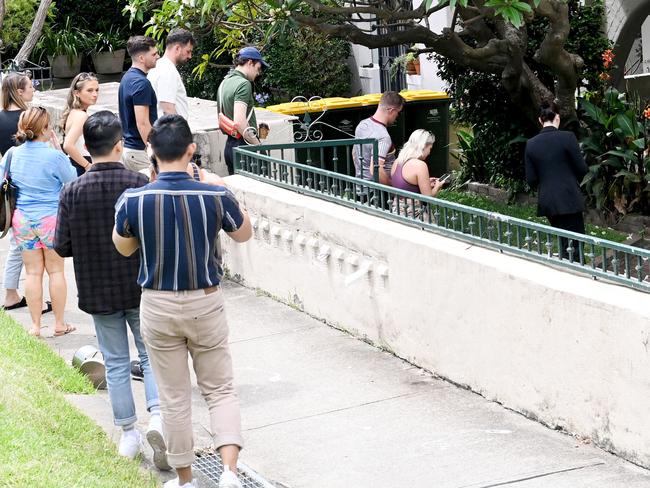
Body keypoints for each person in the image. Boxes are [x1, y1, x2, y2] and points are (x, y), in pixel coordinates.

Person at [113, 115, 252, 488]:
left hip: (157, 304)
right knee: (220, 389)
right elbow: (243, 234)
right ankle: (229, 473)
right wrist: (217, 184)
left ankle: (186, 479)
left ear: (151, 152)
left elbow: (124, 247)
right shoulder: (214, 195)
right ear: (191, 149)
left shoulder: (134, 200)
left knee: (174, 397)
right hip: (205, 302)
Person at [54, 110, 168, 466]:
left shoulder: (72, 190)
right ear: (120, 146)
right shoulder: (138, 185)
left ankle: (128, 434)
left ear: (87, 147)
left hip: (97, 288)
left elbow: (62, 246)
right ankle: (160, 418)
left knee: (116, 363)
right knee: (150, 357)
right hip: (139, 285)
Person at [0, 107, 77, 336]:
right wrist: (58, 150)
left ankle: (35, 326)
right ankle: (60, 324)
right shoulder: (53, 156)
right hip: (51, 219)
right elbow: (71, 180)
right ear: (45, 128)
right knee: (55, 271)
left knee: (33, 273)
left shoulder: (13, 153)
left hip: (22, 220)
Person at [525, 100, 588, 259]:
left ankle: (567, 269)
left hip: (548, 201)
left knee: (564, 241)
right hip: (569, 197)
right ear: (557, 118)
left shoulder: (531, 144)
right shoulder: (567, 138)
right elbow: (582, 169)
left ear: (540, 120)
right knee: (576, 244)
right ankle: (577, 275)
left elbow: (531, 179)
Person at [0, 72, 34, 311]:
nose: (33, 90)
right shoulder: (28, 118)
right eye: (30, 86)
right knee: (22, 244)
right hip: (30, 184)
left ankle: (12, 292)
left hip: (10, 185)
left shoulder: (0, 118)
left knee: (18, 241)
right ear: (19, 92)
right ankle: (11, 293)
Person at [217, 46, 268, 175]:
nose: (259, 73)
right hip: (245, 149)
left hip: (229, 147)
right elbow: (239, 122)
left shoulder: (224, 83)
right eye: (258, 68)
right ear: (250, 62)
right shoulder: (244, 84)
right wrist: (258, 146)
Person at [118, 35, 159, 171]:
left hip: (129, 150)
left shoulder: (127, 77)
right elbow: (142, 123)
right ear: (141, 58)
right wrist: (155, 151)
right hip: (139, 152)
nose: (158, 56)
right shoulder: (141, 83)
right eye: (154, 54)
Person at [353, 91, 404, 186]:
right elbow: (376, 169)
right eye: (398, 112)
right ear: (391, 110)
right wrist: (392, 187)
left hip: (361, 186)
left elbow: (355, 154)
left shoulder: (362, 125)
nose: (397, 116)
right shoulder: (383, 137)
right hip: (377, 192)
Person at [391, 129, 445, 218]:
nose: (430, 152)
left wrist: (425, 182)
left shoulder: (397, 162)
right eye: (430, 148)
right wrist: (437, 187)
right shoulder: (420, 165)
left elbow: (404, 185)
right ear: (423, 146)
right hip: (414, 214)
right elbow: (428, 198)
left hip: (396, 210)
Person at [148, 29, 195, 119]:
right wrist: (178, 131)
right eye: (188, 51)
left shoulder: (159, 66)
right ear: (177, 48)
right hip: (169, 130)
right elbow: (168, 108)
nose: (190, 56)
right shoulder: (167, 70)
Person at [61, 72, 99, 175]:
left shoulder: (73, 112)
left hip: (76, 164)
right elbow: (68, 145)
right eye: (89, 90)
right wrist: (87, 165)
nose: (95, 94)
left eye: (96, 90)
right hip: (81, 166)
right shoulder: (81, 116)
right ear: (77, 93)